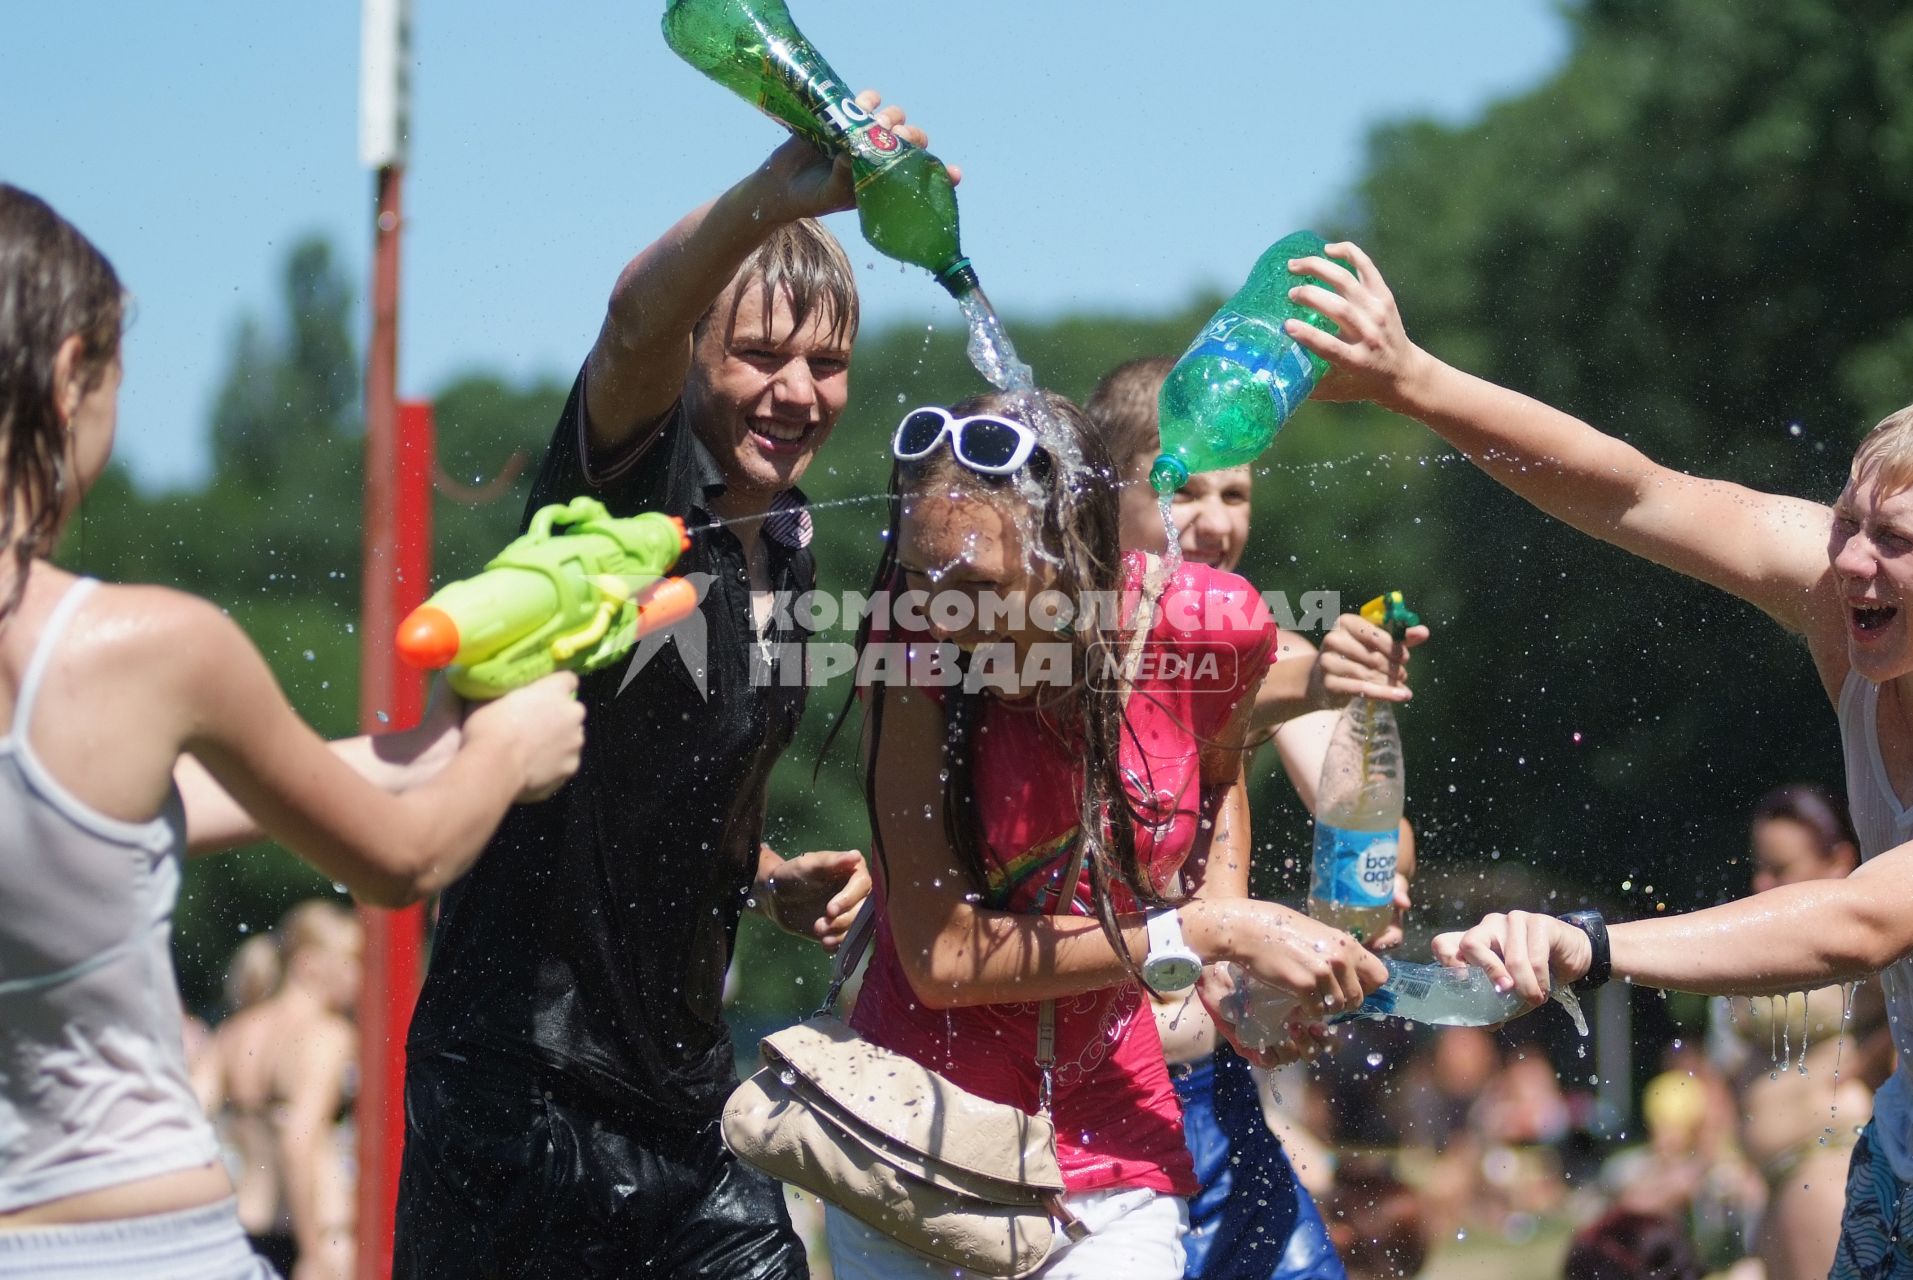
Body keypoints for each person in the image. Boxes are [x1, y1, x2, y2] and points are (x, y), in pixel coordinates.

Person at [1274, 236, 1913, 1278]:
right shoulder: (1844, 598)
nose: (1847, 560)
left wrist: (1591, 944)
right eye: (1843, 522)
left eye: (1890, 538)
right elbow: (1631, 493)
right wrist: (1411, 380)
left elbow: (1865, 917)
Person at [393, 92, 952, 1278]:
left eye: (826, 363)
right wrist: (768, 197)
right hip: (516, 1090)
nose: (795, 391)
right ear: (694, 355)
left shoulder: (795, 541)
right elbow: (631, 318)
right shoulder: (619, 500)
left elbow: (665, 787)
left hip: (686, 1101)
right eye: (756, 352)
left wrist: (765, 877)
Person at [0, 183, 583, 1277]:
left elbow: (168, 804)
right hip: (147, 1246)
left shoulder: (102, 707)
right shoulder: (142, 646)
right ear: (71, 369)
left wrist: (440, 741)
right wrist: (513, 750)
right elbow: (401, 860)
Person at [827, 390, 1388, 1278]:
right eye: (920, 574)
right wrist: (1201, 934)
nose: (945, 618)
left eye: (976, 589)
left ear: (1069, 553)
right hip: (920, 1148)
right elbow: (940, 961)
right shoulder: (907, 643)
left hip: (1119, 1140)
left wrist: (1227, 958)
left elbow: (1216, 780)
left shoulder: (1209, 626)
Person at [1087, 357, 1423, 1280]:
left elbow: (1371, 831)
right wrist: (1310, 677)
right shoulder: (1048, 647)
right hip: (1074, 1111)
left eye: (1236, 492)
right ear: (1095, 488)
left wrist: (1366, 885)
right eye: (1181, 486)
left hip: (1209, 1095)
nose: (1217, 520)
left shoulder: (1264, 650)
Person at [1707, 785, 1890, 1280]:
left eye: (1780, 869)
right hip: (1777, 1181)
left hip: (1829, 1167)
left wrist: (1865, 1062)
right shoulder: (1759, 949)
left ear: (1839, 862)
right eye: (1759, 867)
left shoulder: (1867, 941)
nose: (1762, 882)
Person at [195, 903, 364, 1279]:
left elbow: (183, 1124)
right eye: (352, 960)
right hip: (316, 1234)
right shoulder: (327, 1036)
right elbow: (297, 1142)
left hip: (242, 1231)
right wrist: (314, 1254)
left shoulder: (234, 1033)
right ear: (309, 964)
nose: (361, 976)